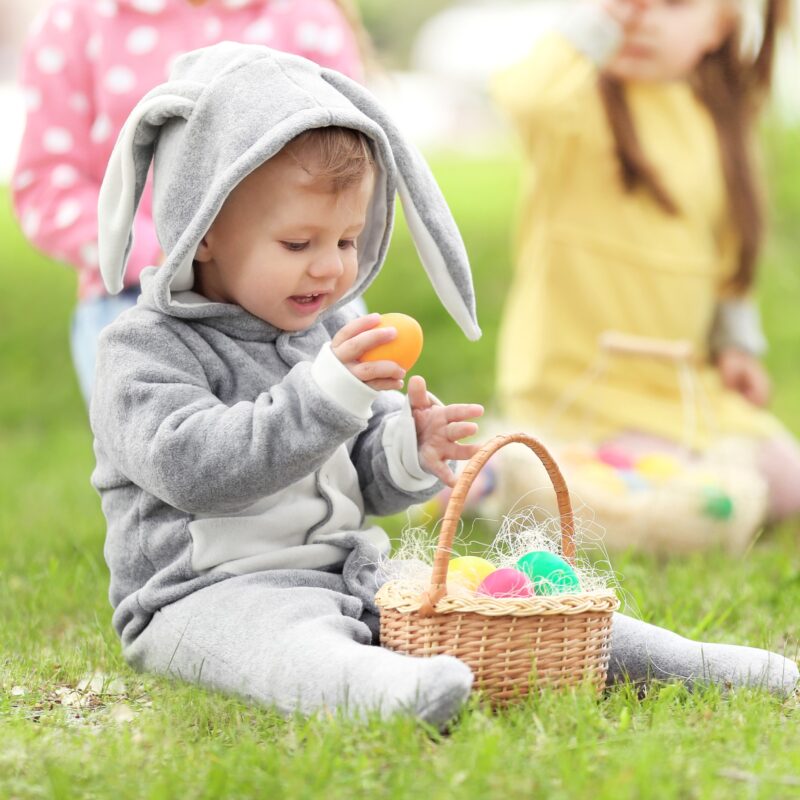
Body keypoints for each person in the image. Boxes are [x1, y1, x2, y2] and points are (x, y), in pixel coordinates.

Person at [90, 44, 796, 727]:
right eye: (298, 244)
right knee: (287, 646)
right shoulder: (142, 349)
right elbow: (196, 471)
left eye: (346, 241)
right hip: (207, 594)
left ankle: (689, 662)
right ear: (201, 229)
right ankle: (382, 691)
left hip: (348, 572)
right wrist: (323, 398)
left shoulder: (326, 326)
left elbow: (358, 474)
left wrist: (406, 449)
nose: (329, 270)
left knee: (495, 605)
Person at [490, 0, 800, 523]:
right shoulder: (576, 103)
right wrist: (599, 23)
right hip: (582, 390)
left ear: (719, 26)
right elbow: (525, 98)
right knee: (670, 499)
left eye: (673, 4)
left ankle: (519, 470)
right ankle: (509, 473)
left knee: (787, 483)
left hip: (675, 390)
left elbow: (727, 253)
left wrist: (735, 344)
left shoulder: (715, 120)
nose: (639, 16)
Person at [11, 0, 370, 405]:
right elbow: (45, 183)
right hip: (136, 293)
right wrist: (164, 252)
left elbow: (353, 167)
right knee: (172, 438)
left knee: (349, 419)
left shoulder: (303, 15)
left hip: (306, 285)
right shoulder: (77, 20)